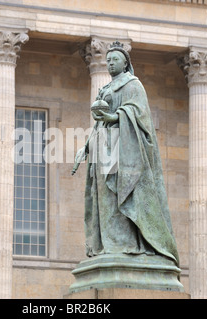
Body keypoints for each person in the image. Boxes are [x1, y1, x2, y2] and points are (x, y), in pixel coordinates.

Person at [73, 41, 180, 266]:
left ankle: (126, 245)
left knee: (121, 194)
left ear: (125, 63)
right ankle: (108, 244)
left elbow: (140, 117)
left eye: (115, 60)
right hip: (104, 148)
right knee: (104, 197)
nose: (110, 63)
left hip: (125, 150)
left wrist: (115, 117)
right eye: (108, 60)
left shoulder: (133, 85)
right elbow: (98, 124)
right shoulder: (105, 88)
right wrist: (86, 147)